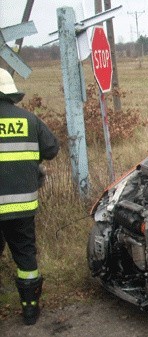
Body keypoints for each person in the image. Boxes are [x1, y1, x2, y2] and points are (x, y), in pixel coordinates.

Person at [0, 68, 59, 325]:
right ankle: (30, 311)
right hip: (22, 206)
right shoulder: (29, 120)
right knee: (26, 258)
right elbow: (52, 149)